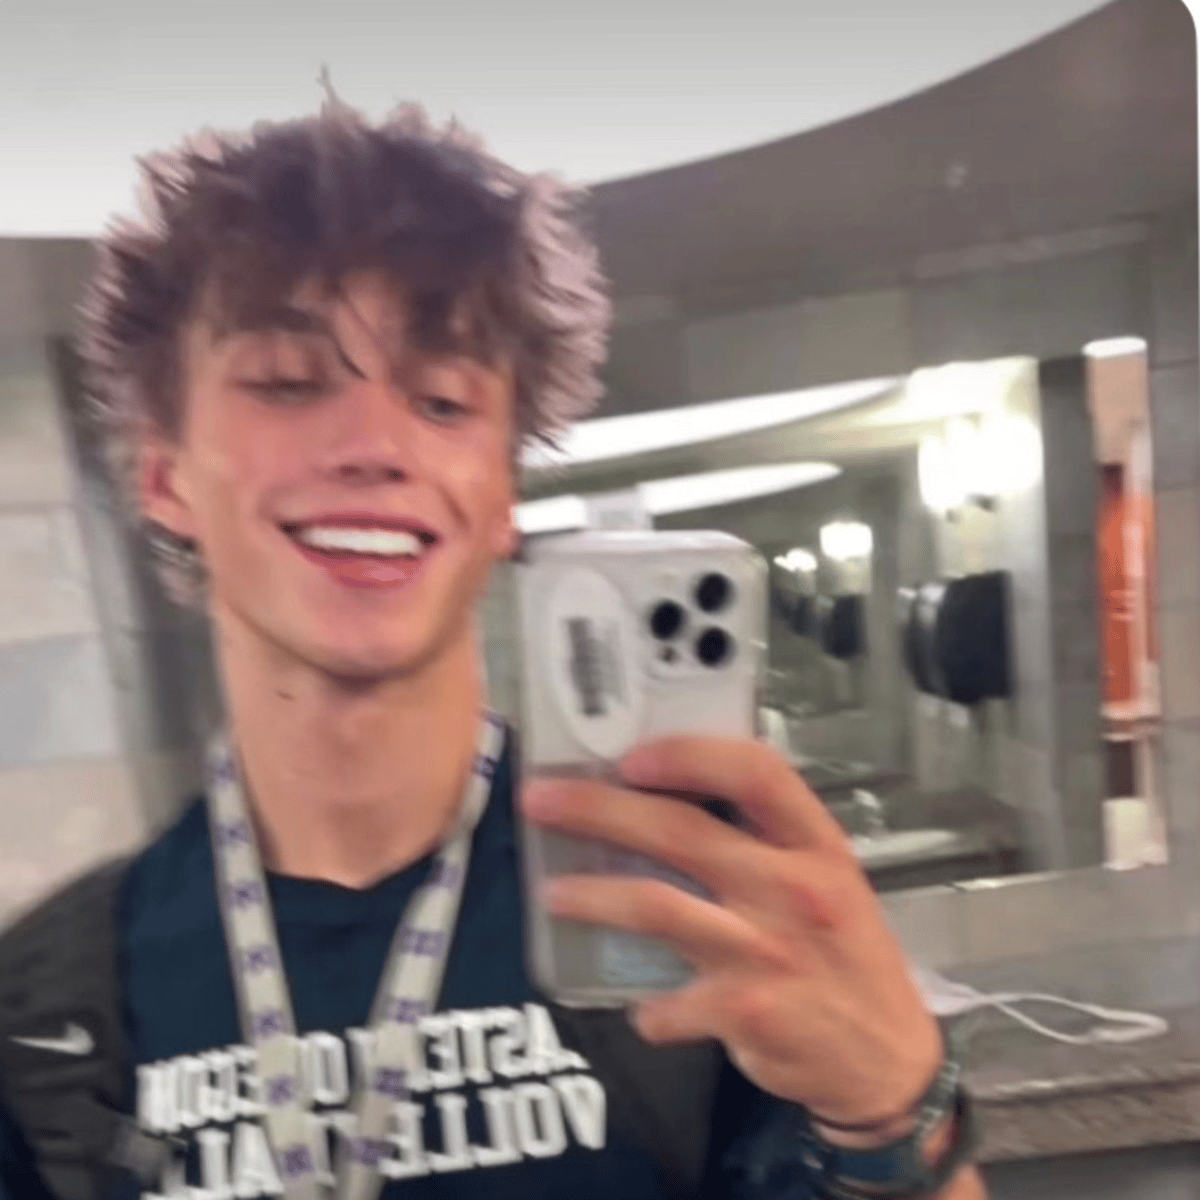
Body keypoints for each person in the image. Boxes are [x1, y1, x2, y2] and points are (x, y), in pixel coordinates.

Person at [0, 92, 986, 1200]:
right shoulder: (49, 1007)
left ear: (503, 498)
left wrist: (892, 1110)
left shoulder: (699, 902)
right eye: (286, 382)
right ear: (166, 476)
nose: (375, 444)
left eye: (441, 400)